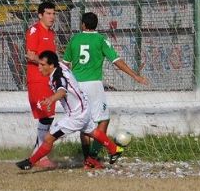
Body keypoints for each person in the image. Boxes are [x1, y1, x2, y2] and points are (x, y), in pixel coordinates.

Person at [62, 12, 148, 168]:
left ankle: (87, 158)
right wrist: (135, 76)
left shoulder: (74, 40)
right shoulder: (101, 40)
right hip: (93, 86)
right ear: (96, 25)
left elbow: (65, 65)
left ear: (83, 25)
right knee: (103, 120)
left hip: (76, 86)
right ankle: (93, 157)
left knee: (85, 121)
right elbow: (117, 61)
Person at [16, 50, 124, 170]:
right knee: (93, 131)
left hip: (76, 116)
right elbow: (49, 63)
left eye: (42, 65)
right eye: (39, 64)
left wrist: (51, 99)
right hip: (84, 108)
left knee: (48, 138)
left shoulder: (58, 76)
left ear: (51, 65)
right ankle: (115, 150)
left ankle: (30, 163)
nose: (39, 67)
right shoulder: (59, 65)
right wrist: (35, 58)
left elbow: (61, 91)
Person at [24, 2, 58, 168]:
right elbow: (30, 55)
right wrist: (47, 64)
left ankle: (37, 154)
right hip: (37, 79)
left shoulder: (51, 33)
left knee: (48, 116)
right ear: (40, 15)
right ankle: (39, 156)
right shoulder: (34, 30)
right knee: (46, 115)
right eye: (48, 13)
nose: (52, 17)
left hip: (48, 80)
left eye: (53, 14)